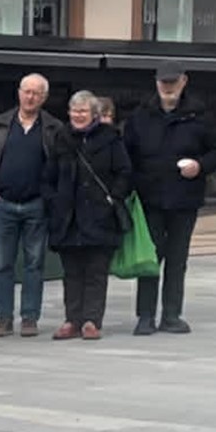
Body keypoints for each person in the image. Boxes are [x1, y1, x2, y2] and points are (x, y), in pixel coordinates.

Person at [123, 62, 216, 334]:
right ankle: (145, 316)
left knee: (177, 260)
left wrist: (200, 166)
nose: (167, 87)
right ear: (156, 82)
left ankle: (171, 315)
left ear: (183, 81)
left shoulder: (200, 115)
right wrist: (131, 187)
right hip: (149, 199)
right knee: (149, 259)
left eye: (172, 82)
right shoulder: (140, 116)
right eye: (163, 82)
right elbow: (126, 155)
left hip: (185, 199)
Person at [0, 73, 67, 338]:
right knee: (3, 264)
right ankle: (3, 317)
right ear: (19, 93)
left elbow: (61, 166)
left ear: (44, 97)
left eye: (36, 93)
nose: (30, 97)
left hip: (36, 205)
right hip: (3, 204)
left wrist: (49, 198)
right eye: (26, 91)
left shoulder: (54, 128)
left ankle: (30, 317)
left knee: (34, 264)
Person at [49, 92, 133, 340]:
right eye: (74, 111)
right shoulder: (61, 137)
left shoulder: (111, 138)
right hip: (68, 217)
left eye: (83, 111)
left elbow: (124, 172)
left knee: (96, 272)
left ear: (94, 114)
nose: (78, 115)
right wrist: (54, 200)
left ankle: (91, 321)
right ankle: (72, 320)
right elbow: (49, 174)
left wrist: (113, 198)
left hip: (100, 215)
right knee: (72, 273)